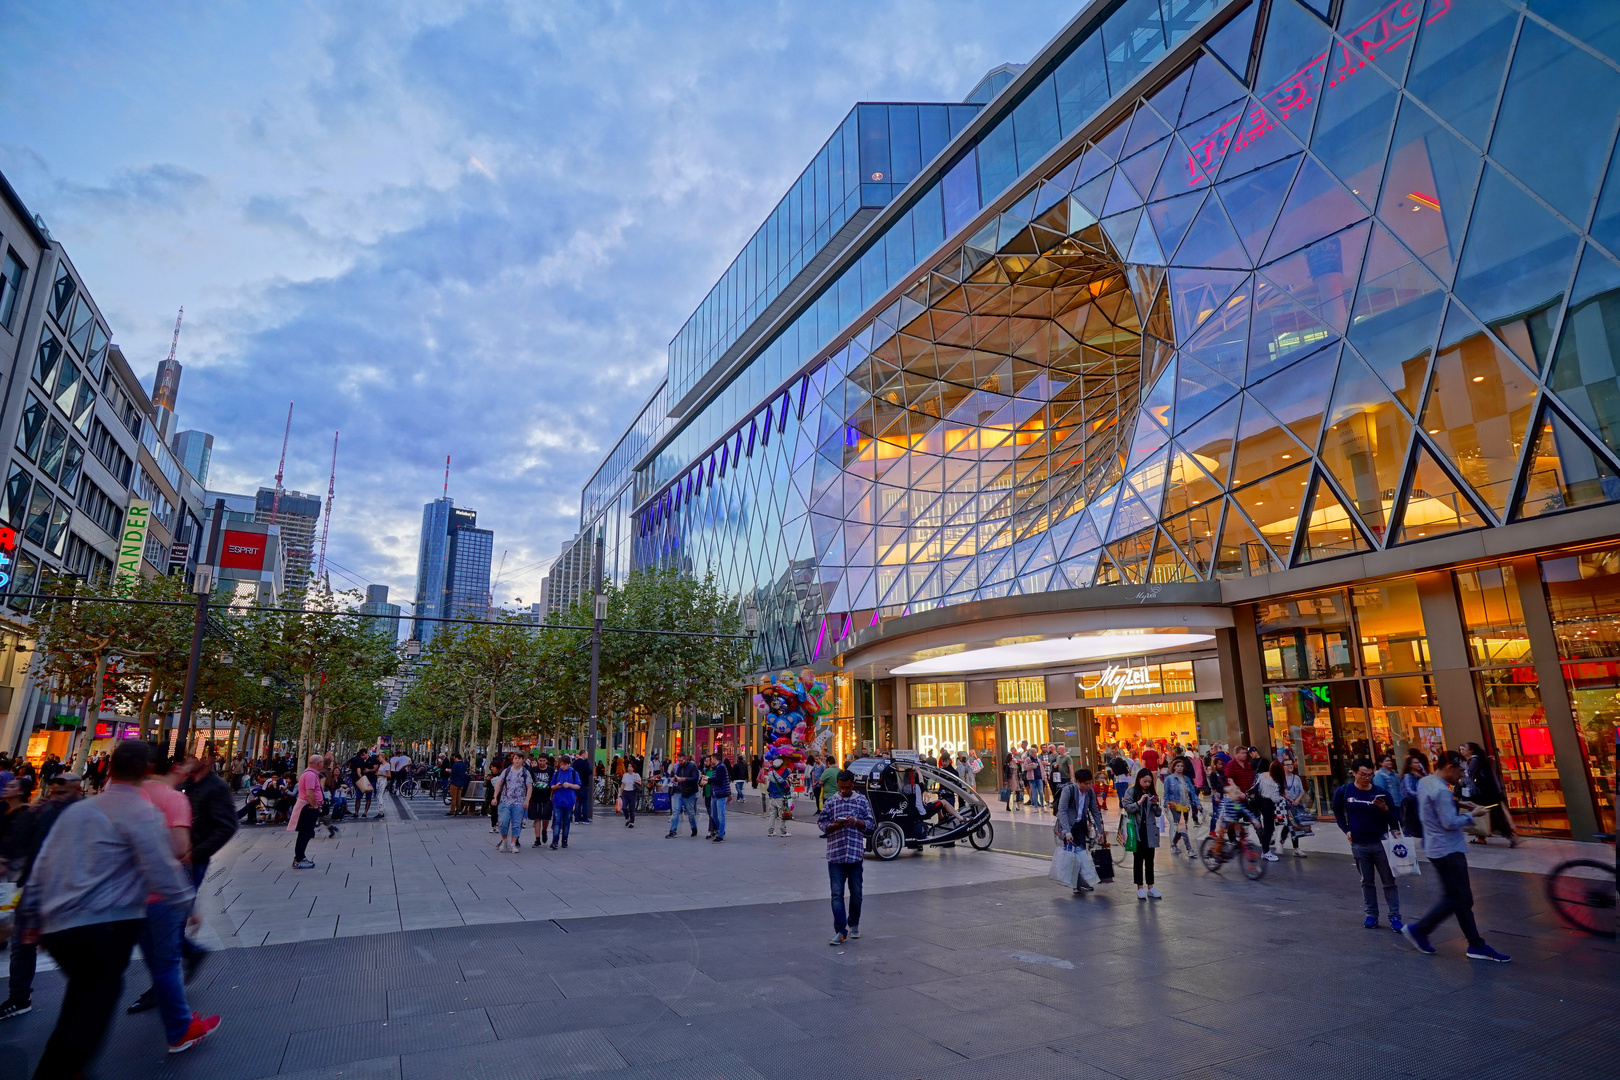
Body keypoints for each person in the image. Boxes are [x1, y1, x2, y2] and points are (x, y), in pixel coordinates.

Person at [22, 741, 214, 1072]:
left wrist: (31, 916)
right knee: (94, 1005)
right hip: (106, 926)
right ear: (146, 770)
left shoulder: (79, 810)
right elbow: (162, 868)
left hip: (60, 925)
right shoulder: (143, 813)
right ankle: (65, 1071)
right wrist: (186, 905)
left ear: (108, 769)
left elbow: (43, 864)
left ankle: (61, 1068)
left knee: (80, 1001)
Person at [1403, 751, 1510, 962]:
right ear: (1449, 767)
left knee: (1461, 898)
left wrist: (1459, 804)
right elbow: (1449, 823)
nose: (1462, 775)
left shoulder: (1426, 782)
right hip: (1448, 849)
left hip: (1436, 847)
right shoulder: (1442, 791)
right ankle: (1421, 930)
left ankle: (1475, 944)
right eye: (1460, 770)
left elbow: (1432, 807)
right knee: (1457, 898)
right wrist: (1473, 815)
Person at [0, 772, 84, 1022]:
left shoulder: (84, 817)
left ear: (76, 791)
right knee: (22, 946)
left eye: (63, 793)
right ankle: (19, 998)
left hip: (64, 894)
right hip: (36, 891)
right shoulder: (40, 812)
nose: (57, 797)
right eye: (54, 792)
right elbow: (19, 845)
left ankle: (85, 995)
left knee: (65, 947)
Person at [1333, 758, 1403, 931]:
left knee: (1389, 881)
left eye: (1370, 775)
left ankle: (1395, 916)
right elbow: (1338, 812)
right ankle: (1371, 914)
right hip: (1359, 843)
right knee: (1367, 881)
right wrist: (1346, 830)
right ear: (1354, 773)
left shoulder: (1381, 792)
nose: (1367, 778)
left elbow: (1394, 819)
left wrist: (1385, 810)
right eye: (1363, 775)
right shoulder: (1345, 791)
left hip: (1381, 843)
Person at [817, 771, 875, 945]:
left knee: (856, 893)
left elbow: (871, 823)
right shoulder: (831, 801)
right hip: (836, 854)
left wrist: (856, 822)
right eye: (841, 787)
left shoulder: (861, 801)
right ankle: (840, 930)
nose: (844, 790)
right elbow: (822, 823)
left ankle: (854, 924)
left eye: (847, 787)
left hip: (855, 854)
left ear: (853, 785)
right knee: (837, 894)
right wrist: (835, 825)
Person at [1054, 768, 1103, 894]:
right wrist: (1066, 831)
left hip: (1081, 825)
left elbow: (1095, 811)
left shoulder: (1090, 792)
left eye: (1089, 783)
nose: (1088, 786)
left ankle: (1079, 883)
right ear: (1078, 782)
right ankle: (1076, 883)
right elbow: (1062, 811)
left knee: (1081, 854)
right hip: (1068, 826)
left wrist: (1099, 831)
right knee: (1073, 856)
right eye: (1085, 784)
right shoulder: (1068, 791)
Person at [1460, 742, 1519, 847]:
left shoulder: (1475, 761)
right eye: (1460, 749)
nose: (1462, 751)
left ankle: (1510, 835)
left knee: (1492, 816)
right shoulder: (1480, 760)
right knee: (1487, 816)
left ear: (1471, 750)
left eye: (1464, 749)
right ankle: (1480, 837)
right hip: (1488, 793)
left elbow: (1468, 775)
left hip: (1484, 795)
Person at [1121, 769, 1162, 900]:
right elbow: (1127, 807)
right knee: (1138, 859)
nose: (1147, 784)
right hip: (1136, 829)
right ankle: (1139, 887)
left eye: (1149, 781)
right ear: (1139, 779)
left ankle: (1151, 886)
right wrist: (1139, 802)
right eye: (1145, 781)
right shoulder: (1131, 792)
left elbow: (1158, 813)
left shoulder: (1151, 792)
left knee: (1150, 859)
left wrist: (1155, 805)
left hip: (1149, 830)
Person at [288, 754, 325, 869]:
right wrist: (315, 806)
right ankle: (299, 858)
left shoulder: (310, 774)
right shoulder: (310, 775)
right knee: (305, 833)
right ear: (319, 763)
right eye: (322, 762)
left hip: (309, 807)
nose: (323, 764)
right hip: (308, 808)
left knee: (306, 833)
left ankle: (300, 857)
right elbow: (309, 793)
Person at [1163, 757, 1199, 859]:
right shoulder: (1169, 779)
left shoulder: (1186, 779)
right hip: (1174, 805)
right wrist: (1166, 804)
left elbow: (1192, 792)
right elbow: (1166, 793)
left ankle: (1173, 844)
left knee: (1181, 827)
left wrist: (1197, 804)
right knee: (1182, 826)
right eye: (1178, 766)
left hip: (1184, 806)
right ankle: (1189, 849)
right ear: (1174, 767)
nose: (1180, 768)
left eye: (1181, 766)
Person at [1253, 761, 1285, 861]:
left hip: (1259, 802)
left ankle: (1265, 849)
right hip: (1269, 805)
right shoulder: (1275, 783)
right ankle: (1266, 852)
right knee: (1269, 828)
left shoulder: (1262, 775)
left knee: (1266, 828)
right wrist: (1281, 799)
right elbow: (1275, 799)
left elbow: (1257, 787)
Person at [1277, 757, 1309, 857]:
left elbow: (1301, 791)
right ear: (1283, 767)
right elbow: (1281, 792)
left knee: (1292, 825)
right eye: (1287, 764)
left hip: (1296, 805)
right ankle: (1293, 847)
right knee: (1292, 825)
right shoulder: (1281, 779)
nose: (1290, 766)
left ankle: (1284, 843)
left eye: (1291, 764)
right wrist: (1291, 800)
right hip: (1286, 805)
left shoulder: (1297, 778)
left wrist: (1297, 800)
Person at [666, 752, 701, 839]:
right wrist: (673, 779)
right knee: (675, 812)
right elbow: (672, 776)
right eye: (679, 760)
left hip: (688, 793)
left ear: (686, 759)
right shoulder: (676, 766)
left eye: (682, 760)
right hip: (676, 791)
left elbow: (695, 778)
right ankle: (672, 831)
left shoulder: (692, 766)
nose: (680, 762)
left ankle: (694, 828)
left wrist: (684, 779)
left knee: (690, 812)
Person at [549, 756, 580, 849]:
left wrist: (569, 785)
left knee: (566, 821)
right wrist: (557, 786)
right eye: (561, 764)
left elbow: (578, 786)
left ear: (568, 764)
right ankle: (555, 841)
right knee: (557, 820)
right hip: (558, 800)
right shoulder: (557, 773)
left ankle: (564, 840)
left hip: (569, 800)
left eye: (565, 764)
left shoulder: (574, 773)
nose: (563, 766)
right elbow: (551, 786)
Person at [529, 753, 554, 845]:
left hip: (546, 796)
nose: (542, 763)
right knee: (537, 818)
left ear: (546, 761)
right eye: (540, 760)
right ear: (537, 760)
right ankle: (537, 838)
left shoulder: (551, 770)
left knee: (546, 817)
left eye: (544, 761)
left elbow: (552, 784)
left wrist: (551, 796)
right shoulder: (532, 770)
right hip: (535, 796)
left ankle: (544, 831)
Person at [764, 758, 792, 836]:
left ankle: (771, 831)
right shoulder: (784, 772)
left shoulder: (770, 772)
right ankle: (783, 831)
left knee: (772, 814)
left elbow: (770, 767)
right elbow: (790, 768)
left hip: (772, 797)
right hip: (780, 797)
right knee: (782, 814)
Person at [1400, 754, 1427, 837]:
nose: (1418, 764)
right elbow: (1409, 791)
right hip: (1413, 803)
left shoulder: (1421, 775)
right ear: (1410, 765)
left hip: (1421, 802)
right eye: (1415, 763)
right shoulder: (1408, 776)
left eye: (1419, 763)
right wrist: (1421, 795)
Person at [708, 755, 729, 842]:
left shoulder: (721, 768)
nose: (710, 760)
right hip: (715, 794)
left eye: (711, 759)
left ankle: (720, 836)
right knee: (714, 815)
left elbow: (718, 780)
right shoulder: (716, 768)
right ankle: (721, 831)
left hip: (721, 794)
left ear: (715, 759)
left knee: (720, 816)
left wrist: (709, 779)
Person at [619, 758, 641, 828]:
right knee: (624, 807)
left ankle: (632, 822)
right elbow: (623, 784)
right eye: (628, 766)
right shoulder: (625, 775)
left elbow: (640, 783)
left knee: (632, 808)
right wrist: (620, 792)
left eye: (630, 766)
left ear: (633, 768)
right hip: (625, 792)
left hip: (632, 792)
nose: (629, 768)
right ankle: (627, 818)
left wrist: (636, 781)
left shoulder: (636, 775)